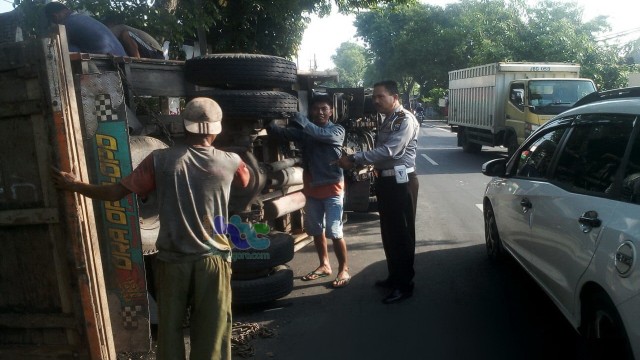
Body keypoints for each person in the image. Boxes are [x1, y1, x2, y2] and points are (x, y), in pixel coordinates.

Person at [52, 98, 250, 360]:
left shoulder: (159, 161)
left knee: (169, 331)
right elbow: (246, 183)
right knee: (213, 332)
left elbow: (114, 193)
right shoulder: (232, 161)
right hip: (213, 262)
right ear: (217, 128)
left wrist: (75, 185)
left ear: (185, 125)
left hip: (172, 262)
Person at [336, 80, 419, 304]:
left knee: (401, 235)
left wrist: (354, 158)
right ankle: (394, 277)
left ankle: (404, 285)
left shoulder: (405, 120)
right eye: (374, 97)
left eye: (380, 96)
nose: (375, 100)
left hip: (401, 182)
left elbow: (391, 150)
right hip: (387, 181)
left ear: (395, 97)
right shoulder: (388, 119)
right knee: (389, 233)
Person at [268, 95, 351, 288]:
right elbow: (281, 134)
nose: (320, 112)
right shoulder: (306, 132)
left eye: (324, 108)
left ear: (331, 112)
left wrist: (301, 119)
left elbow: (321, 135)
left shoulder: (337, 130)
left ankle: (344, 269)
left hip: (332, 190)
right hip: (313, 191)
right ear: (311, 111)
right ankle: (324, 265)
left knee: (335, 231)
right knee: (315, 230)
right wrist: (269, 116)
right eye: (315, 109)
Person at [44, 2, 126, 56]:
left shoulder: (68, 24)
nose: (55, 23)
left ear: (55, 16)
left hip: (109, 62)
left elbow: (53, 44)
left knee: (62, 47)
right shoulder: (82, 19)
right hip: (122, 56)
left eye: (54, 20)